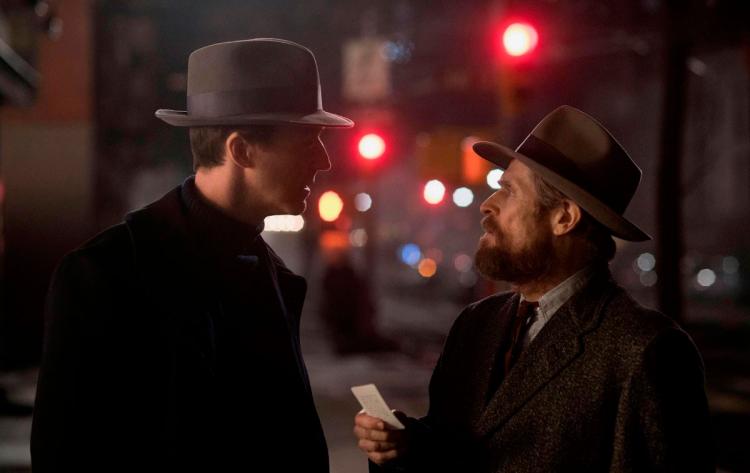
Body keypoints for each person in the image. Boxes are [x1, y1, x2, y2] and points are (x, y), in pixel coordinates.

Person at [31, 38, 353, 472]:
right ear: (241, 150)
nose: (325, 161)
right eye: (308, 140)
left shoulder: (272, 276)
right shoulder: (105, 275)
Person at [353, 106, 714, 472]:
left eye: (509, 191)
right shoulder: (476, 324)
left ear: (564, 217)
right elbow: (453, 450)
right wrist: (404, 448)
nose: (487, 205)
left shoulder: (647, 351)